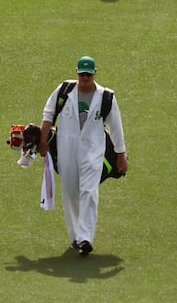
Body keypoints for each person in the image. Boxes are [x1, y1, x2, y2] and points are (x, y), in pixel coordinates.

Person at [38, 56, 128, 257]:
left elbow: (116, 128)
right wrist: (43, 142)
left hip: (93, 150)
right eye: (82, 74)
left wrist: (121, 155)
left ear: (95, 72)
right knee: (70, 193)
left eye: (88, 74)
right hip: (66, 149)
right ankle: (76, 237)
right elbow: (48, 115)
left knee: (89, 191)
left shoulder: (106, 97)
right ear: (76, 73)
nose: (85, 78)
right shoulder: (64, 91)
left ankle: (86, 238)